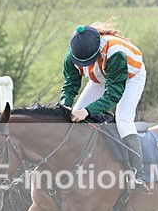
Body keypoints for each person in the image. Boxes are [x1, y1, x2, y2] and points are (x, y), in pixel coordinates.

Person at [60, 20, 149, 192]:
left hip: (130, 75)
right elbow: (70, 85)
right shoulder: (72, 55)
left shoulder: (115, 54)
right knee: (72, 119)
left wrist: (87, 111)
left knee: (123, 119)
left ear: (98, 50)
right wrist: (64, 105)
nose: (84, 66)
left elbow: (112, 95)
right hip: (100, 76)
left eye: (88, 61)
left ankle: (139, 174)